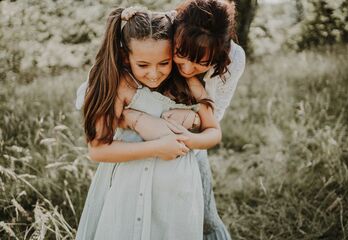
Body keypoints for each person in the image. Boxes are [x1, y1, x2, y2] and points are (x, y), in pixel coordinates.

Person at [75, 6, 221, 240]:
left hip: (177, 191)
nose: (154, 73)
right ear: (126, 56)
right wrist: (157, 147)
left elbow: (214, 131)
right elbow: (97, 149)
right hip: (129, 188)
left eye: (164, 63)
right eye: (143, 65)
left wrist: (191, 139)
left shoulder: (189, 83)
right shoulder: (120, 85)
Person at [119, 0, 246, 239]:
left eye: (201, 62)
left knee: (204, 217)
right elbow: (93, 93)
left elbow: (214, 117)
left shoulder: (234, 59)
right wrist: (131, 118)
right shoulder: (168, 26)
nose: (187, 68)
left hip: (190, 144)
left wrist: (191, 119)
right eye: (180, 55)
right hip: (140, 141)